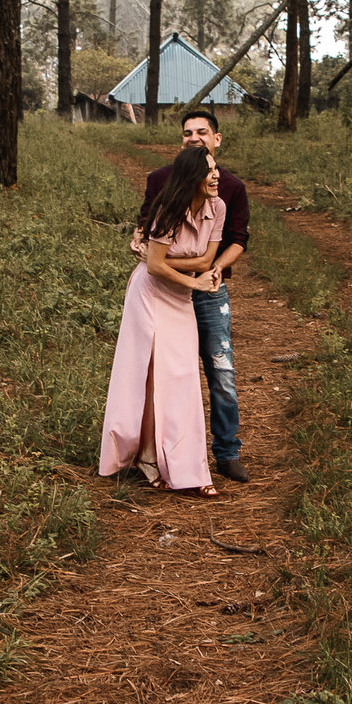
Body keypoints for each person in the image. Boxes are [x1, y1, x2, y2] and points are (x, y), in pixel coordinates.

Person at [99, 145, 228, 496]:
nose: (216, 176)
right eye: (209, 171)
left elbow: (203, 260)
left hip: (179, 296)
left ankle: (189, 468)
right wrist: (188, 275)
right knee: (150, 377)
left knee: (183, 378)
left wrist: (170, 263)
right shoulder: (168, 212)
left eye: (217, 169)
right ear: (192, 176)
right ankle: (145, 456)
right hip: (150, 296)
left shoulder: (218, 207)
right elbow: (154, 268)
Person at [136, 109, 251, 483]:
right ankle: (164, 452)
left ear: (217, 139)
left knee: (221, 369)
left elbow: (237, 241)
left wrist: (214, 268)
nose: (194, 137)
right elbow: (146, 229)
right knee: (171, 374)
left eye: (202, 131)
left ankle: (227, 451)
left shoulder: (228, 189)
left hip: (209, 290)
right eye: (187, 133)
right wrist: (139, 242)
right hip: (166, 291)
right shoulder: (160, 181)